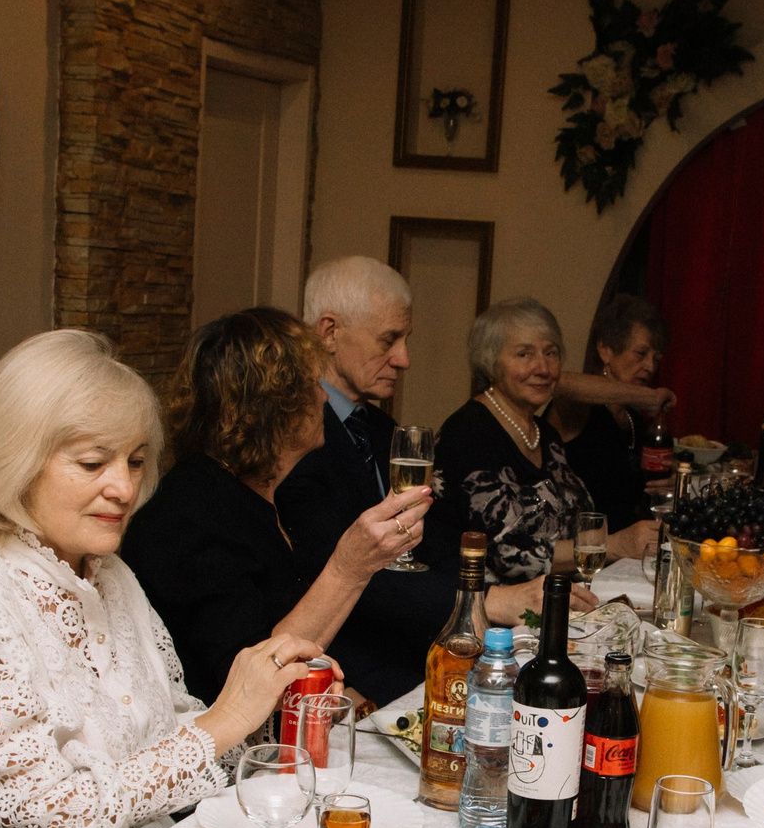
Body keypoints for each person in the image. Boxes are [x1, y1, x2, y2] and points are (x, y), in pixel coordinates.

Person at [0, 328, 344, 828]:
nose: (124, 489)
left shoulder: (107, 574)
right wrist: (227, 718)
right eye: (93, 464)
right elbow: (50, 823)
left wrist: (279, 706)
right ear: (15, 460)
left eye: (136, 461)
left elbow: (174, 743)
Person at [121, 309, 427, 707]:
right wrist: (349, 567)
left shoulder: (274, 490)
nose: (322, 396)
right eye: (312, 384)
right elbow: (239, 686)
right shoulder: (187, 517)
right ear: (272, 403)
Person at [274, 257, 541, 705]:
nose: (404, 359)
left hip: (413, 649)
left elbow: (426, 543)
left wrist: (480, 595)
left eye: (405, 340)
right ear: (329, 332)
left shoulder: (378, 427)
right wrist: (489, 601)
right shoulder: (297, 432)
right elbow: (334, 563)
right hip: (344, 674)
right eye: (388, 340)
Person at [428, 298, 657, 587]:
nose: (543, 368)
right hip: (486, 611)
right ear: (491, 362)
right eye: (524, 354)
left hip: (553, 598)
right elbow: (509, 553)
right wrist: (615, 545)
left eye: (551, 353)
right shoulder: (468, 434)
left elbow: (578, 519)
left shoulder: (545, 436)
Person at [550, 291, 668, 532]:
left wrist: (665, 484)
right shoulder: (583, 404)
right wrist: (649, 397)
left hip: (624, 550)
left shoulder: (632, 417)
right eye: (641, 353)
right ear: (605, 350)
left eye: (656, 358)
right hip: (576, 547)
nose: (650, 366)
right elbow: (560, 383)